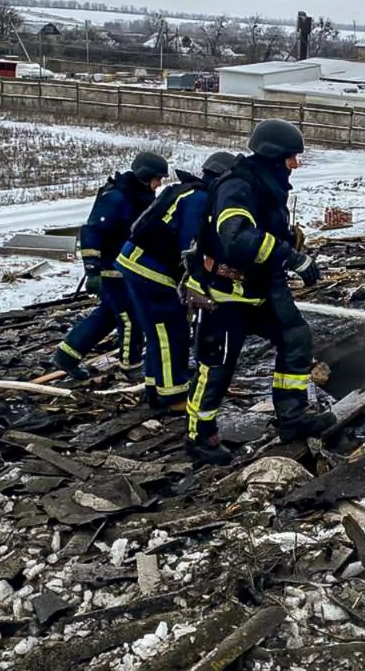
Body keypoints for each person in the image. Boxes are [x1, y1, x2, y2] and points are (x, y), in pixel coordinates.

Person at [180, 119, 335, 464]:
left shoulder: (267, 185)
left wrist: (288, 247)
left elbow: (265, 234)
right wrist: (291, 256)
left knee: (295, 336)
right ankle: (200, 437)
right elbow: (236, 240)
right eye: (291, 157)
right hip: (223, 294)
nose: (295, 165)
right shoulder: (238, 185)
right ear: (272, 155)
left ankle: (292, 417)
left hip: (260, 289)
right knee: (217, 366)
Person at [115, 151, 238, 411]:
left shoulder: (189, 191)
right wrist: (211, 277)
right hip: (150, 269)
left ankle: (155, 387)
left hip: (137, 263)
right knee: (171, 330)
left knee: (155, 330)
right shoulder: (200, 200)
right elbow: (191, 248)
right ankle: (173, 395)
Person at [52, 151, 168, 380]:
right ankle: (131, 365)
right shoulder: (116, 197)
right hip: (113, 270)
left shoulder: (141, 197)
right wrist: (92, 268)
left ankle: (67, 355)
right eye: (157, 178)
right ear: (145, 175)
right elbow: (92, 230)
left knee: (107, 315)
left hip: (129, 268)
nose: (159, 184)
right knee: (131, 316)